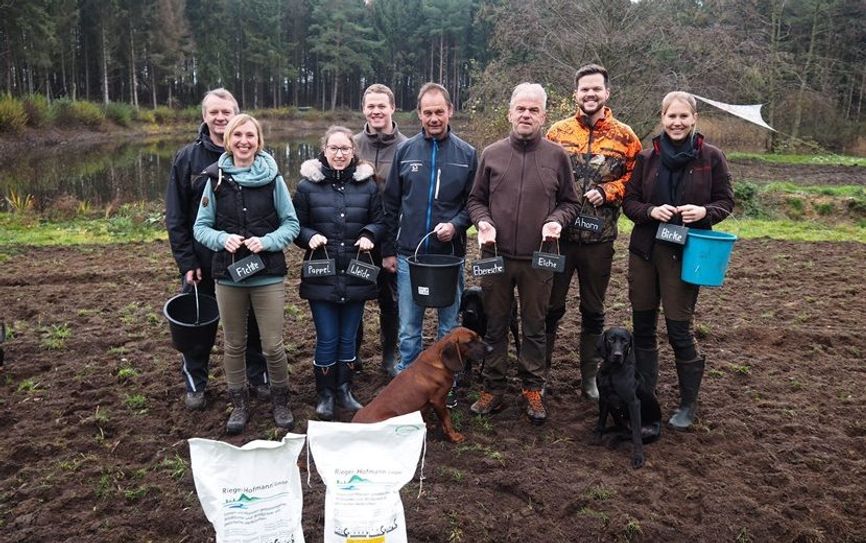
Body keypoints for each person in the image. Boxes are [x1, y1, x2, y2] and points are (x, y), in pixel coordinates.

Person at [467, 83, 579, 424]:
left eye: (533, 110)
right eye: (521, 109)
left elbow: (571, 202)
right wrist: (483, 222)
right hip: (494, 257)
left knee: (534, 325)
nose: (526, 115)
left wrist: (556, 221)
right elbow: (475, 200)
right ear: (510, 113)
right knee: (496, 324)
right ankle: (494, 387)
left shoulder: (557, 156)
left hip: (538, 259)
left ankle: (532, 387)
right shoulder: (492, 154)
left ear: (543, 116)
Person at [622, 91, 734, 431]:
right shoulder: (646, 158)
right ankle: (646, 394)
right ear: (663, 117)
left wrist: (703, 212)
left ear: (694, 118)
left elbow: (725, 201)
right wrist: (651, 211)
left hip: (684, 255)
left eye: (684, 116)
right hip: (644, 252)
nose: (677, 122)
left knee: (679, 329)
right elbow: (630, 203)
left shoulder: (711, 158)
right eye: (672, 116)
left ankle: (688, 404)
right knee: (642, 326)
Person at [193, 114, 300, 434]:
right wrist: (221, 239)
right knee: (234, 345)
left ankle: (280, 399)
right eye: (237, 135)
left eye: (250, 135)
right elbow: (200, 227)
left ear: (258, 140)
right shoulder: (215, 179)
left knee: (272, 345)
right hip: (228, 276)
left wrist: (266, 241)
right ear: (228, 140)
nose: (243, 141)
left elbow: (291, 225)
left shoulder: (274, 179)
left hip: (267, 275)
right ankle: (239, 403)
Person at [165, 88, 271, 410]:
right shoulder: (187, 159)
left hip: (245, 259)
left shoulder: (256, 156)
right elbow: (176, 216)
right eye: (215, 112)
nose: (221, 118)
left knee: (251, 321)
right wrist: (186, 262)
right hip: (204, 260)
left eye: (227, 112)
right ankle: (196, 382)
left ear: (237, 113)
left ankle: (257, 375)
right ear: (204, 116)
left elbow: (269, 209)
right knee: (199, 323)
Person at [544, 64, 642, 400]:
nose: (590, 94)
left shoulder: (625, 137)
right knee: (550, 308)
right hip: (557, 240)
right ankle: (539, 376)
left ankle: (590, 378)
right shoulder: (557, 133)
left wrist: (611, 190)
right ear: (576, 94)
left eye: (596, 89)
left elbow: (637, 180)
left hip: (599, 241)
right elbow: (541, 174)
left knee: (593, 310)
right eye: (584, 89)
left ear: (607, 93)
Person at [382, 82, 478, 381]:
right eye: (427, 113)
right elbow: (390, 203)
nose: (434, 118)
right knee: (409, 326)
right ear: (419, 115)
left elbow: (473, 203)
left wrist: (457, 225)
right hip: (410, 255)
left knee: (448, 326)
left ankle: (445, 380)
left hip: (449, 257)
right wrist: (387, 250)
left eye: (439, 111)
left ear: (450, 111)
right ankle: (406, 378)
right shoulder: (405, 151)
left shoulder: (467, 154)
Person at [293, 126, 385, 420]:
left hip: (357, 274)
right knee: (328, 337)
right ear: (325, 150)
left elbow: (381, 220)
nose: (339, 154)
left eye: (345, 149)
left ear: (353, 152)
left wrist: (371, 233)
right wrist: (308, 236)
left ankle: (344, 389)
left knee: (348, 337)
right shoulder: (307, 187)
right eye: (334, 148)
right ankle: (325, 393)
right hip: (322, 274)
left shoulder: (368, 186)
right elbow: (295, 225)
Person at [352, 84, 408, 376]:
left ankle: (389, 354)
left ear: (392, 108)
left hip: (391, 239)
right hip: (356, 239)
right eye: (370, 106)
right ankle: (353, 352)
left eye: (381, 106)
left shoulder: (407, 146)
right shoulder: (352, 144)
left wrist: (392, 247)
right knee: (353, 297)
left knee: (391, 301)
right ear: (364, 109)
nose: (376, 111)